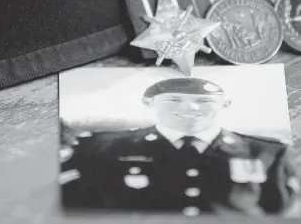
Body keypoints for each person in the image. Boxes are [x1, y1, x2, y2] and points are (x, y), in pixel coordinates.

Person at [59, 78, 300, 216]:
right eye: (174, 100)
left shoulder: (267, 152)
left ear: (225, 105)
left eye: (203, 101)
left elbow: (277, 208)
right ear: (149, 103)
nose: (191, 108)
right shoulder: (103, 147)